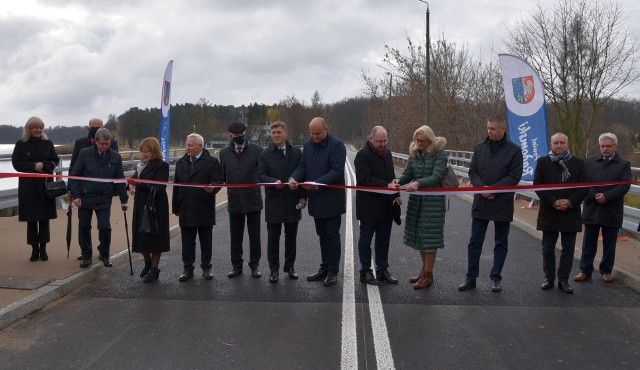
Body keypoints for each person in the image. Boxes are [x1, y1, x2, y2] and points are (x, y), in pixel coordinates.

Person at [458, 115, 523, 293]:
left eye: (493, 129)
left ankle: (496, 278)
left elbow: (514, 176)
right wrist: (482, 188)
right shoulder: (479, 148)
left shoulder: (514, 151)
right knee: (475, 242)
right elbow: (473, 171)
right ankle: (471, 278)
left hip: (501, 201)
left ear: (503, 129)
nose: (489, 132)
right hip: (481, 201)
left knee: (501, 242)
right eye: (488, 129)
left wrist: (493, 189)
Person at [289, 117, 346, 287]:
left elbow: (336, 171)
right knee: (321, 235)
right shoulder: (307, 146)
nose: (314, 136)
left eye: (318, 133)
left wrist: (315, 184)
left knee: (332, 235)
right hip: (316, 200)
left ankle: (333, 271)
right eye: (312, 133)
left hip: (332, 200)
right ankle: (324, 267)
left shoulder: (337, 146)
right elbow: (303, 167)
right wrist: (294, 177)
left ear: (326, 130)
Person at [533, 133, 587, 293]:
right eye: (555, 143)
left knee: (568, 249)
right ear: (551, 144)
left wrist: (570, 202)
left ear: (567, 144)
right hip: (549, 211)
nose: (559, 146)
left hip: (570, 212)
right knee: (547, 248)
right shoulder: (542, 162)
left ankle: (563, 280)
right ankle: (549, 278)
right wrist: (553, 202)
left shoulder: (578, 163)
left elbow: (584, 187)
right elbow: (538, 184)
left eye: (562, 143)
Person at [575, 133, 631, 284]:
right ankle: (585, 270)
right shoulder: (589, 162)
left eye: (608, 146)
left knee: (610, 243)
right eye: (602, 146)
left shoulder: (624, 164)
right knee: (589, 242)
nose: (605, 149)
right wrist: (594, 195)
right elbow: (583, 182)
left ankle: (606, 271)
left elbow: (625, 185)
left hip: (611, 208)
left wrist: (607, 196)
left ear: (615, 147)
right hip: (592, 207)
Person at [68, 128, 128, 268]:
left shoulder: (115, 157)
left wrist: (123, 200)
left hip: (104, 198)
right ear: (95, 142)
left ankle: (104, 254)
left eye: (107, 144)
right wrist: (76, 196)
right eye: (102, 144)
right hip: (85, 197)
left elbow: (120, 180)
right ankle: (86, 255)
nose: (104, 147)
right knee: (84, 227)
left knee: (105, 227)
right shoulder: (84, 154)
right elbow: (74, 176)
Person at [398, 125, 448, 289]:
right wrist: (398, 181)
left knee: (430, 239)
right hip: (416, 202)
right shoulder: (414, 154)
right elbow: (408, 174)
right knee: (420, 238)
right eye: (417, 140)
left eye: (423, 141)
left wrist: (419, 183)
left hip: (432, 203)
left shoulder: (440, 154)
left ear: (430, 140)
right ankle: (425, 271)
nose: (419, 143)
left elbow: (436, 176)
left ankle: (428, 275)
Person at [258, 121, 307, 282]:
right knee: (273, 238)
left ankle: (290, 266)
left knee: (291, 237)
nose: (276, 136)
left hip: (293, 200)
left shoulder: (297, 153)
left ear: (286, 134)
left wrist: (303, 196)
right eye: (273, 133)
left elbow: (303, 175)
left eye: (279, 132)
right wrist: (274, 182)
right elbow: (261, 176)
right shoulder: (265, 155)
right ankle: (274, 269)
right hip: (274, 201)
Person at [172, 133, 223, 282]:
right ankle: (188, 268)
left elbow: (218, 181)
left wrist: (212, 188)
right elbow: (176, 186)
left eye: (190, 145)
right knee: (187, 240)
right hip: (185, 207)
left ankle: (206, 267)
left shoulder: (212, 162)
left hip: (203, 206)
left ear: (200, 146)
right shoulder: (181, 162)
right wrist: (176, 206)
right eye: (187, 145)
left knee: (205, 240)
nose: (187, 148)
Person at [354, 126, 402, 285]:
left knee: (383, 240)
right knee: (365, 240)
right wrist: (386, 185)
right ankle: (365, 271)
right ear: (371, 139)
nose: (383, 144)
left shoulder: (387, 154)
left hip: (386, 205)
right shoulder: (362, 155)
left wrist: (396, 194)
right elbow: (365, 179)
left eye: (385, 141)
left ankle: (382, 270)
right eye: (379, 141)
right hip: (368, 206)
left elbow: (391, 176)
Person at [11, 117, 60, 261]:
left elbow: (54, 160)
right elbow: (16, 163)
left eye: (40, 128)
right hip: (28, 186)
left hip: (45, 184)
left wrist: (44, 165)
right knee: (31, 219)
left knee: (44, 219)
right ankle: (34, 249)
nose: (38, 130)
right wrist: (33, 167)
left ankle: (43, 249)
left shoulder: (48, 143)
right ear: (29, 129)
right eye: (35, 127)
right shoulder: (21, 144)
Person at [219, 122, 264, 278]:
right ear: (231, 135)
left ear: (245, 132)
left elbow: (262, 174)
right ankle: (236, 266)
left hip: (253, 199)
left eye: (241, 134)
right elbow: (222, 176)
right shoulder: (224, 153)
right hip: (234, 200)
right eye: (235, 135)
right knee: (235, 236)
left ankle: (254, 265)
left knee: (254, 236)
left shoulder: (257, 150)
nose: (239, 137)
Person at [127, 137, 170, 283]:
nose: (144, 154)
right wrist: (131, 185)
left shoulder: (162, 166)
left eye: (147, 151)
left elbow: (159, 188)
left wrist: (139, 184)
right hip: (140, 205)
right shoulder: (141, 165)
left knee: (155, 236)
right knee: (141, 235)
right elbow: (134, 180)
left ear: (155, 151)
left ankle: (154, 269)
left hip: (156, 206)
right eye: (142, 151)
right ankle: (147, 262)